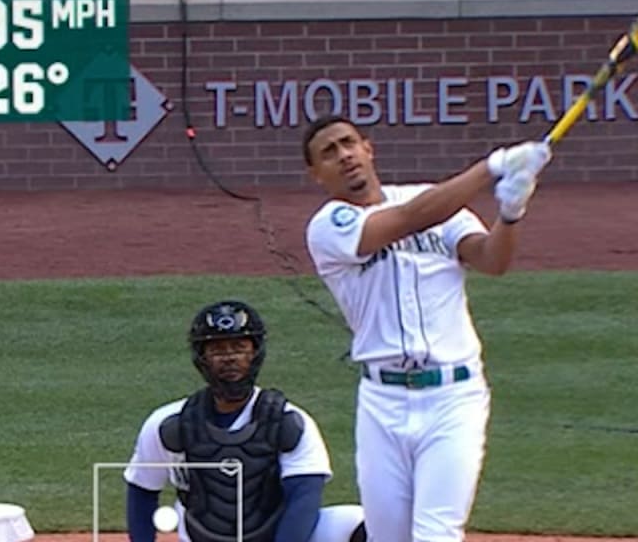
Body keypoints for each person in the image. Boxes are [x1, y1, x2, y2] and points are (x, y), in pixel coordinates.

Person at [302, 115, 551, 542]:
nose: (344, 156)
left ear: (368, 148)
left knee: (437, 533)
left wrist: (511, 213)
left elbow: (492, 260)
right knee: (389, 536)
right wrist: (492, 166)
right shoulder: (329, 227)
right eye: (329, 152)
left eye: (348, 143)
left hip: (453, 398)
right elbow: (404, 221)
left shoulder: (433, 202)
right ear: (316, 175)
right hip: (382, 402)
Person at [123, 299, 367, 542]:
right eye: (217, 349)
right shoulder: (169, 424)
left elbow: (303, 500)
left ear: (255, 353)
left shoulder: (289, 421)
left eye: (239, 347)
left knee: (361, 522)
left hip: (276, 537)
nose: (229, 357)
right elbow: (142, 491)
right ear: (202, 358)